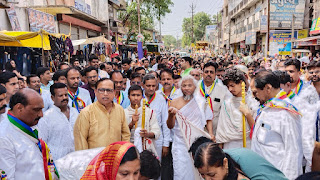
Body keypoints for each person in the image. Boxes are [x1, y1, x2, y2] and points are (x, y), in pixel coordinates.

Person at [250, 70, 303, 179]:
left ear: (268, 88)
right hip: (263, 171)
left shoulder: (285, 113)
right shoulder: (268, 106)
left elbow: (293, 151)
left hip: (277, 173)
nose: (256, 96)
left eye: (257, 92)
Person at [0, 89, 59, 179]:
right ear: (19, 108)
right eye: (36, 110)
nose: (41, 114)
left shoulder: (29, 125)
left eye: (41, 109)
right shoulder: (4, 137)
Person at [167, 75, 213, 180]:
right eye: (184, 85)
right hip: (180, 144)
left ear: (195, 87)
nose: (187, 88)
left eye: (189, 85)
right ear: (180, 87)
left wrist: (211, 133)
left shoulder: (201, 102)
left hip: (197, 142)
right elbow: (170, 126)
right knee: (181, 172)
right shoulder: (174, 102)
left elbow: (209, 118)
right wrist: (170, 115)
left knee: (197, 171)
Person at [74, 78, 131, 150]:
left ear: (114, 92)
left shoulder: (119, 109)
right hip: (94, 158)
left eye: (109, 90)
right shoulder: (87, 113)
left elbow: (125, 134)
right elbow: (80, 141)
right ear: (95, 92)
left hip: (115, 157)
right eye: (101, 90)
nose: (105, 94)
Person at [285, 59, 319, 172]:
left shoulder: (308, 90)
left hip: (308, 135)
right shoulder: (281, 88)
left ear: (299, 73)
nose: (288, 75)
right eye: (286, 72)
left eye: (291, 71)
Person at [192, 140, 287, 180]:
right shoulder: (218, 159)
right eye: (203, 175)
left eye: (211, 175)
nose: (207, 179)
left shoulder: (243, 161)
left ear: (225, 163)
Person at [216, 68, 258, 149]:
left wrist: (247, 114)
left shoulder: (252, 103)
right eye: (228, 86)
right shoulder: (226, 103)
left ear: (241, 83)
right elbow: (221, 129)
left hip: (248, 143)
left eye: (232, 86)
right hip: (230, 145)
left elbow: (256, 129)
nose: (230, 89)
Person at [36, 83, 79, 160]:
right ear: (52, 98)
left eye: (66, 95)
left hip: (76, 159)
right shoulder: (46, 117)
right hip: (57, 162)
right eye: (60, 96)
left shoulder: (75, 112)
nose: (64, 98)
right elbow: (42, 143)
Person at [124, 85, 160, 154]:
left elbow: (157, 132)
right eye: (133, 95)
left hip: (146, 148)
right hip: (129, 148)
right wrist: (132, 123)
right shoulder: (123, 112)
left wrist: (147, 134)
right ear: (128, 97)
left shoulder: (149, 112)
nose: (136, 98)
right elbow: (122, 133)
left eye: (138, 95)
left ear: (142, 97)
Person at [142, 74, 170, 162]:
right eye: (148, 86)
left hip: (157, 139)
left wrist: (166, 144)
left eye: (153, 86)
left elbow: (165, 122)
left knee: (156, 166)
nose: (151, 88)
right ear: (143, 85)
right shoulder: (138, 97)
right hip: (141, 139)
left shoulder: (161, 99)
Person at [196, 62, 229, 135]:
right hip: (197, 130)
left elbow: (225, 113)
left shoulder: (223, 90)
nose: (208, 74)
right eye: (206, 72)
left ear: (215, 75)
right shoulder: (194, 87)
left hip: (215, 131)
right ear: (202, 73)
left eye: (211, 72)